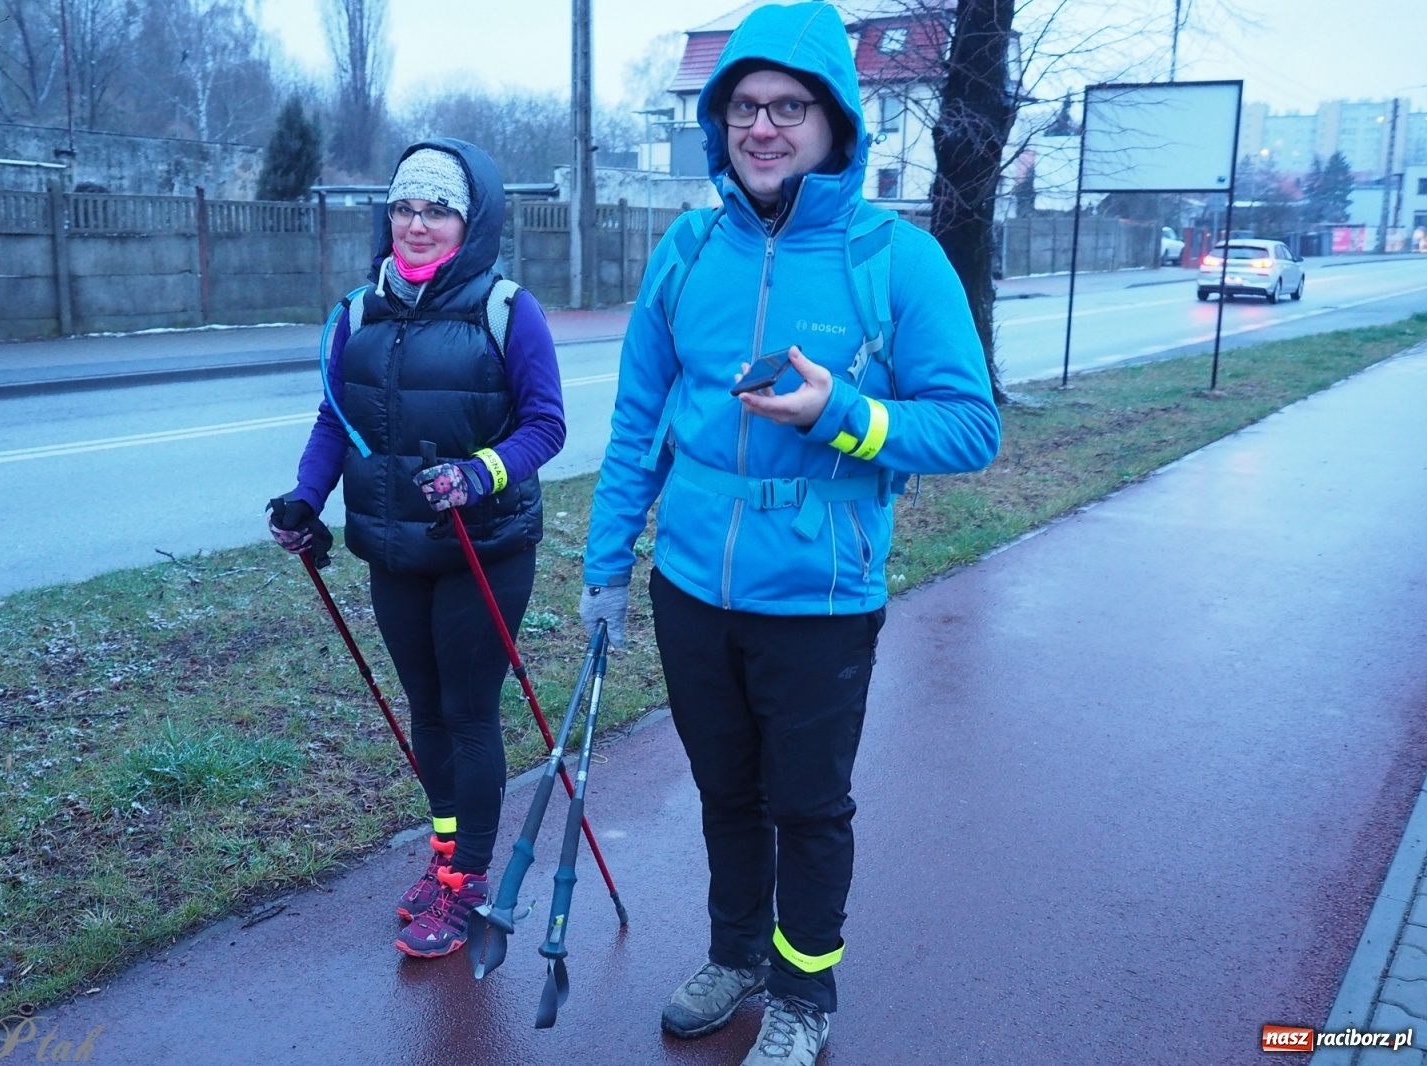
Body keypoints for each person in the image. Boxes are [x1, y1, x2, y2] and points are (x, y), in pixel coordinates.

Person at [578, 4, 1001, 1064]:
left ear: (834, 122)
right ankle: (736, 956)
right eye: (744, 108)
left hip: (818, 596)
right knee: (726, 793)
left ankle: (803, 995)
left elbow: (968, 425)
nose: (762, 128)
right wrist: (605, 570)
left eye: (788, 107)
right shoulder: (686, 249)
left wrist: (842, 416)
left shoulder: (892, 259)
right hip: (690, 588)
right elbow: (636, 424)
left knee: (807, 806)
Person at [268, 139, 565, 959]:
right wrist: (305, 499)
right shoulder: (360, 311)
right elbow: (336, 417)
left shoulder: (507, 309)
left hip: (485, 548)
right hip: (393, 550)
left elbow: (547, 426)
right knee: (425, 713)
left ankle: (468, 880)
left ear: (470, 223)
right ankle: (444, 854)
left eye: (438, 209)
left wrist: (481, 473)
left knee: (468, 715)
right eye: (405, 206)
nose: (418, 223)